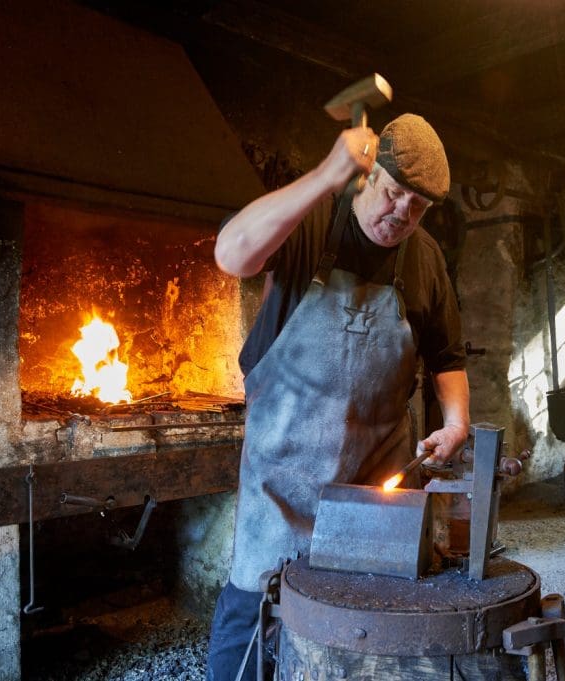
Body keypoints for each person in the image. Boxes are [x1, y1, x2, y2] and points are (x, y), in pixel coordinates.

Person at [206, 113, 470, 680]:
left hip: (374, 479)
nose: (401, 213)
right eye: (394, 192)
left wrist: (455, 422)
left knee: (364, 622)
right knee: (252, 606)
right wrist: (327, 173)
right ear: (367, 175)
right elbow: (231, 255)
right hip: (282, 479)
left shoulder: (425, 259)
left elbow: (448, 357)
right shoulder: (312, 223)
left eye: (417, 206)